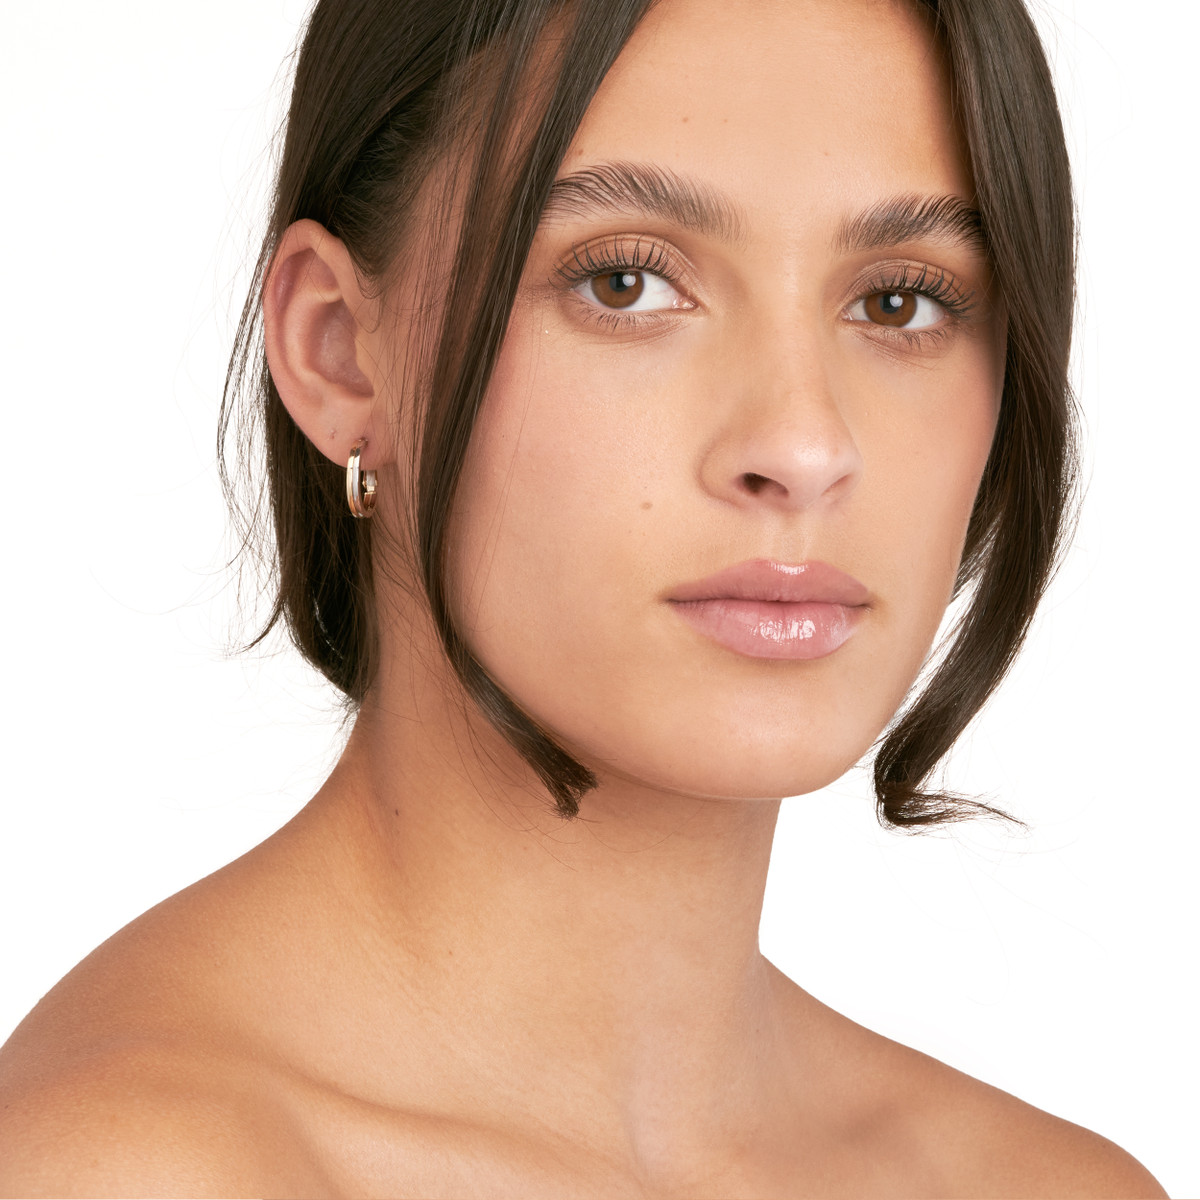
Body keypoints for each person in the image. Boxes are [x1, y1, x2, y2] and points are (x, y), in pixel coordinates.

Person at [0, 0, 1171, 1194]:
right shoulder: (118, 1171)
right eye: (624, 282)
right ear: (339, 349)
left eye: (899, 301)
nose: (804, 445)